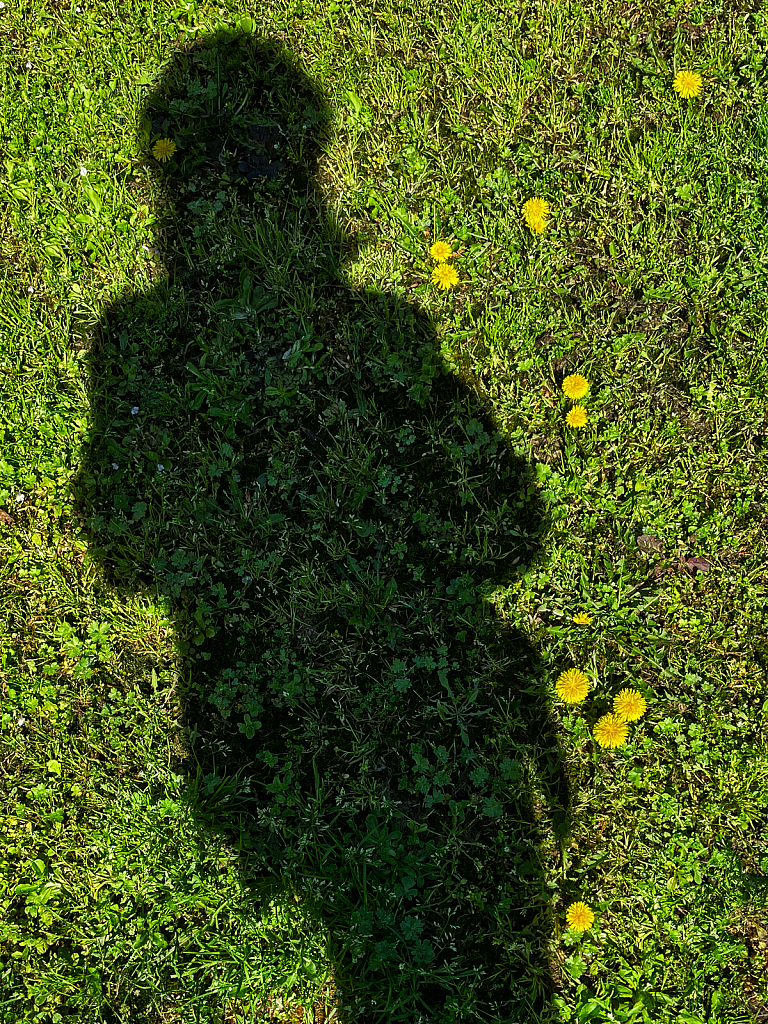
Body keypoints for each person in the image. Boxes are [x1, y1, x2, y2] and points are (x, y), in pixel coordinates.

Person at [73, 27, 570, 1022]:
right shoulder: (383, 334)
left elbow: (123, 545)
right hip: (397, 746)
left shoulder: (144, 341)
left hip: (287, 744)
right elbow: (513, 534)